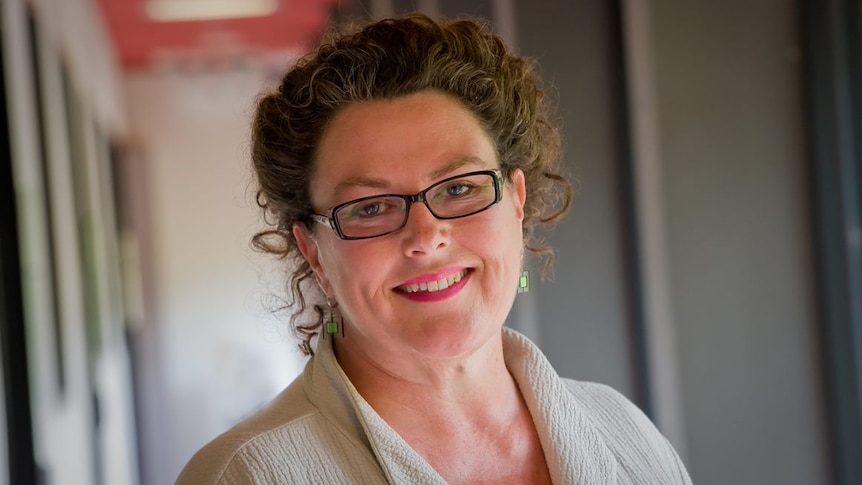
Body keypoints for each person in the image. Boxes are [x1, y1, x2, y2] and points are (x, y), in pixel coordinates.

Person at [176, 13, 692, 485]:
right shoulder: (242, 475)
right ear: (313, 251)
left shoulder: (624, 432)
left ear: (516, 200)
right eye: (371, 207)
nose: (425, 237)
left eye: (460, 188)